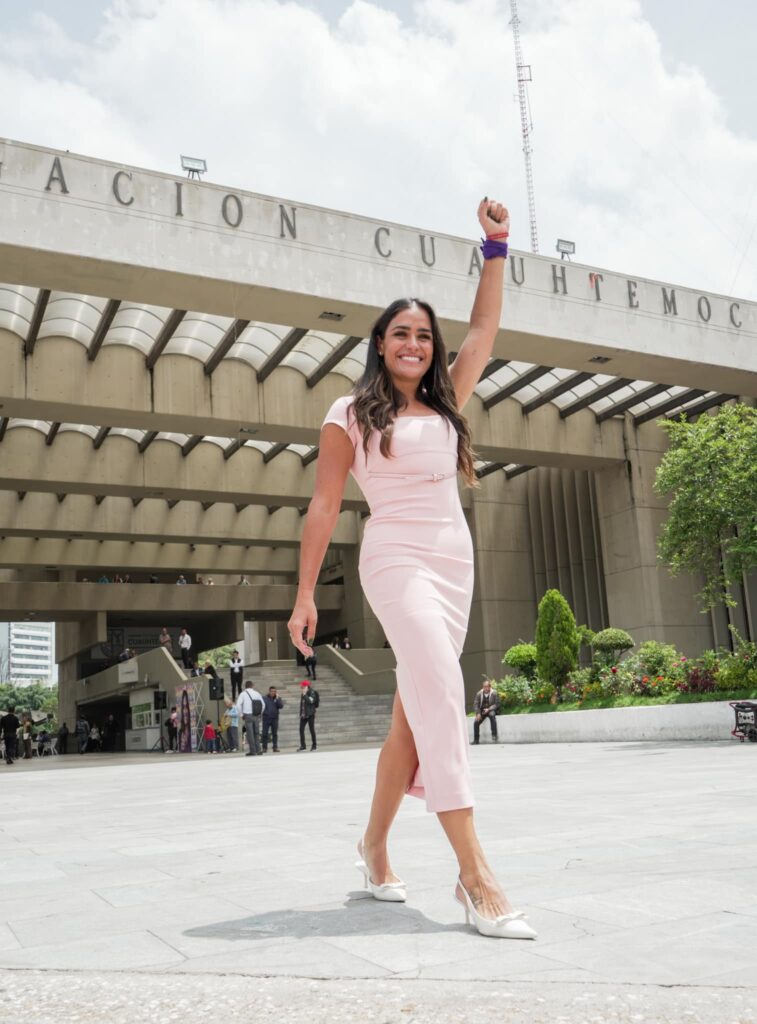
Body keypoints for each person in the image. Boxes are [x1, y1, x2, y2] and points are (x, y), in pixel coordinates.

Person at [287, 199, 536, 940]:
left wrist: (495, 247)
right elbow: (324, 506)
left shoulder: (447, 400)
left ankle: (373, 848)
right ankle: (474, 873)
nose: (414, 344)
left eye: (424, 336)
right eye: (401, 333)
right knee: (441, 681)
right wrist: (303, 592)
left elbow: (485, 328)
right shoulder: (348, 413)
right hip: (393, 558)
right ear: (379, 343)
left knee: (408, 722)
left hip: (452, 561)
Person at [236, 681, 264, 756]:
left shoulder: (243, 694)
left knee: (250, 733)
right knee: (256, 733)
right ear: (252, 685)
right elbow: (263, 704)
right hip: (256, 715)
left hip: (247, 715)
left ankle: (253, 751)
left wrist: (241, 714)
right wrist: (260, 713)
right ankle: (258, 750)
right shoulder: (257, 693)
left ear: (245, 686)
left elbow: (238, 705)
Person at [473, 680, 499, 744]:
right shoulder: (479, 694)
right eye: (484, 687)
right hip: (482, 711)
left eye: (487, 686)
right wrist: (478, 713)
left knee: (492, 715)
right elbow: (476, 704)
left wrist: (489, 709)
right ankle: (476, 740)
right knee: (476, 722)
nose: (486, 688)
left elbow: (497, 704)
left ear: (490, 687)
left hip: (490, 710)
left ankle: (494, 735)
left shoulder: (494, 693)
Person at [297, 680, 319, 752]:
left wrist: (305, 695)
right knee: (301, 729)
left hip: (310, 714)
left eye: (302, 686)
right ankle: (303, 746)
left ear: (306, 686)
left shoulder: (312, 692)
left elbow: (311, 701)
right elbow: (302, 704)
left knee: (311, 729)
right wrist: (301, 713)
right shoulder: (303, 693)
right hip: (304, 714)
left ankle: (314, 746)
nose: (301, 687)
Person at [261, 686, 284, 753]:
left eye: (274, 691)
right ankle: (264, 748)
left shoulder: (277, 698)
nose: (273, 693)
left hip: (274, 718)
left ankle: (275, 747)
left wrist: (277, 698)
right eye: (272, 691)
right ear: (269, 691)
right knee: (264, 733)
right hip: (266, 718)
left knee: (275, 734)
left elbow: (281, 706)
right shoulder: (264, 698)